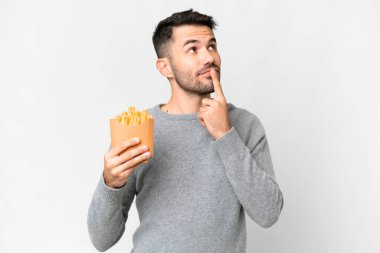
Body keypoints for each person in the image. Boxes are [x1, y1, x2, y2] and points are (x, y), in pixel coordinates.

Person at [87, 9, 284, 253]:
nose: (209, 57)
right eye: (193, 49)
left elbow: (268, 213)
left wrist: (225, 135)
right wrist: (110, 185)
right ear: (165, 67)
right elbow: (102, 240)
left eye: (211, 46)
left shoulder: (245, 125)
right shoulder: (138, 128)